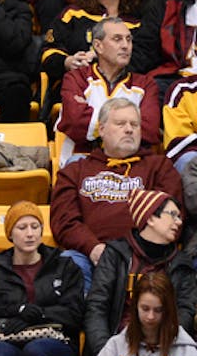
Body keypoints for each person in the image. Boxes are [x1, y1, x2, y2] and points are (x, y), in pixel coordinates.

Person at [54, 98, 181, 287]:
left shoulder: (159, 166)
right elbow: (64, 220)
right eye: (121, 124)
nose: (129, 129)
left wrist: (133, 254)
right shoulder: (75, 170)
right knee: (69, 262)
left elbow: (170, 217)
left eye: (135, 124)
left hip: (145, 259)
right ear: (102, 129)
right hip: (89, 256)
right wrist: (94, 248)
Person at [0, 200, 84, 356]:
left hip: (56, 340)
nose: (30, 234)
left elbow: (75, 313)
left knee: (36, 351)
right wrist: (19, 311)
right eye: (22, 227)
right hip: (8, 340)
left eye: (35, 227)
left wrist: (39, 314)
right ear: (10, 233)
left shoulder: (64, 267)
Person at [84, 191, 197, 356]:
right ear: (150, 218)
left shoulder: (182, 263)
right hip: (114, 348)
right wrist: (106, 353)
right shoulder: (116, 254)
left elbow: (185, 312)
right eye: (173, 215)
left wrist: (164, 350)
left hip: (164, 352)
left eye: (179, 216)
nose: (179, 222)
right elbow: (97, 306)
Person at [42, 0, 143, 118]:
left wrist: (101, 58)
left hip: (122, 91)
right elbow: (47, 53)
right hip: (75, 87)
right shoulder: (72, 15)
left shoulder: (135, 24)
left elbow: (142, 61)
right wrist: (68, 62)